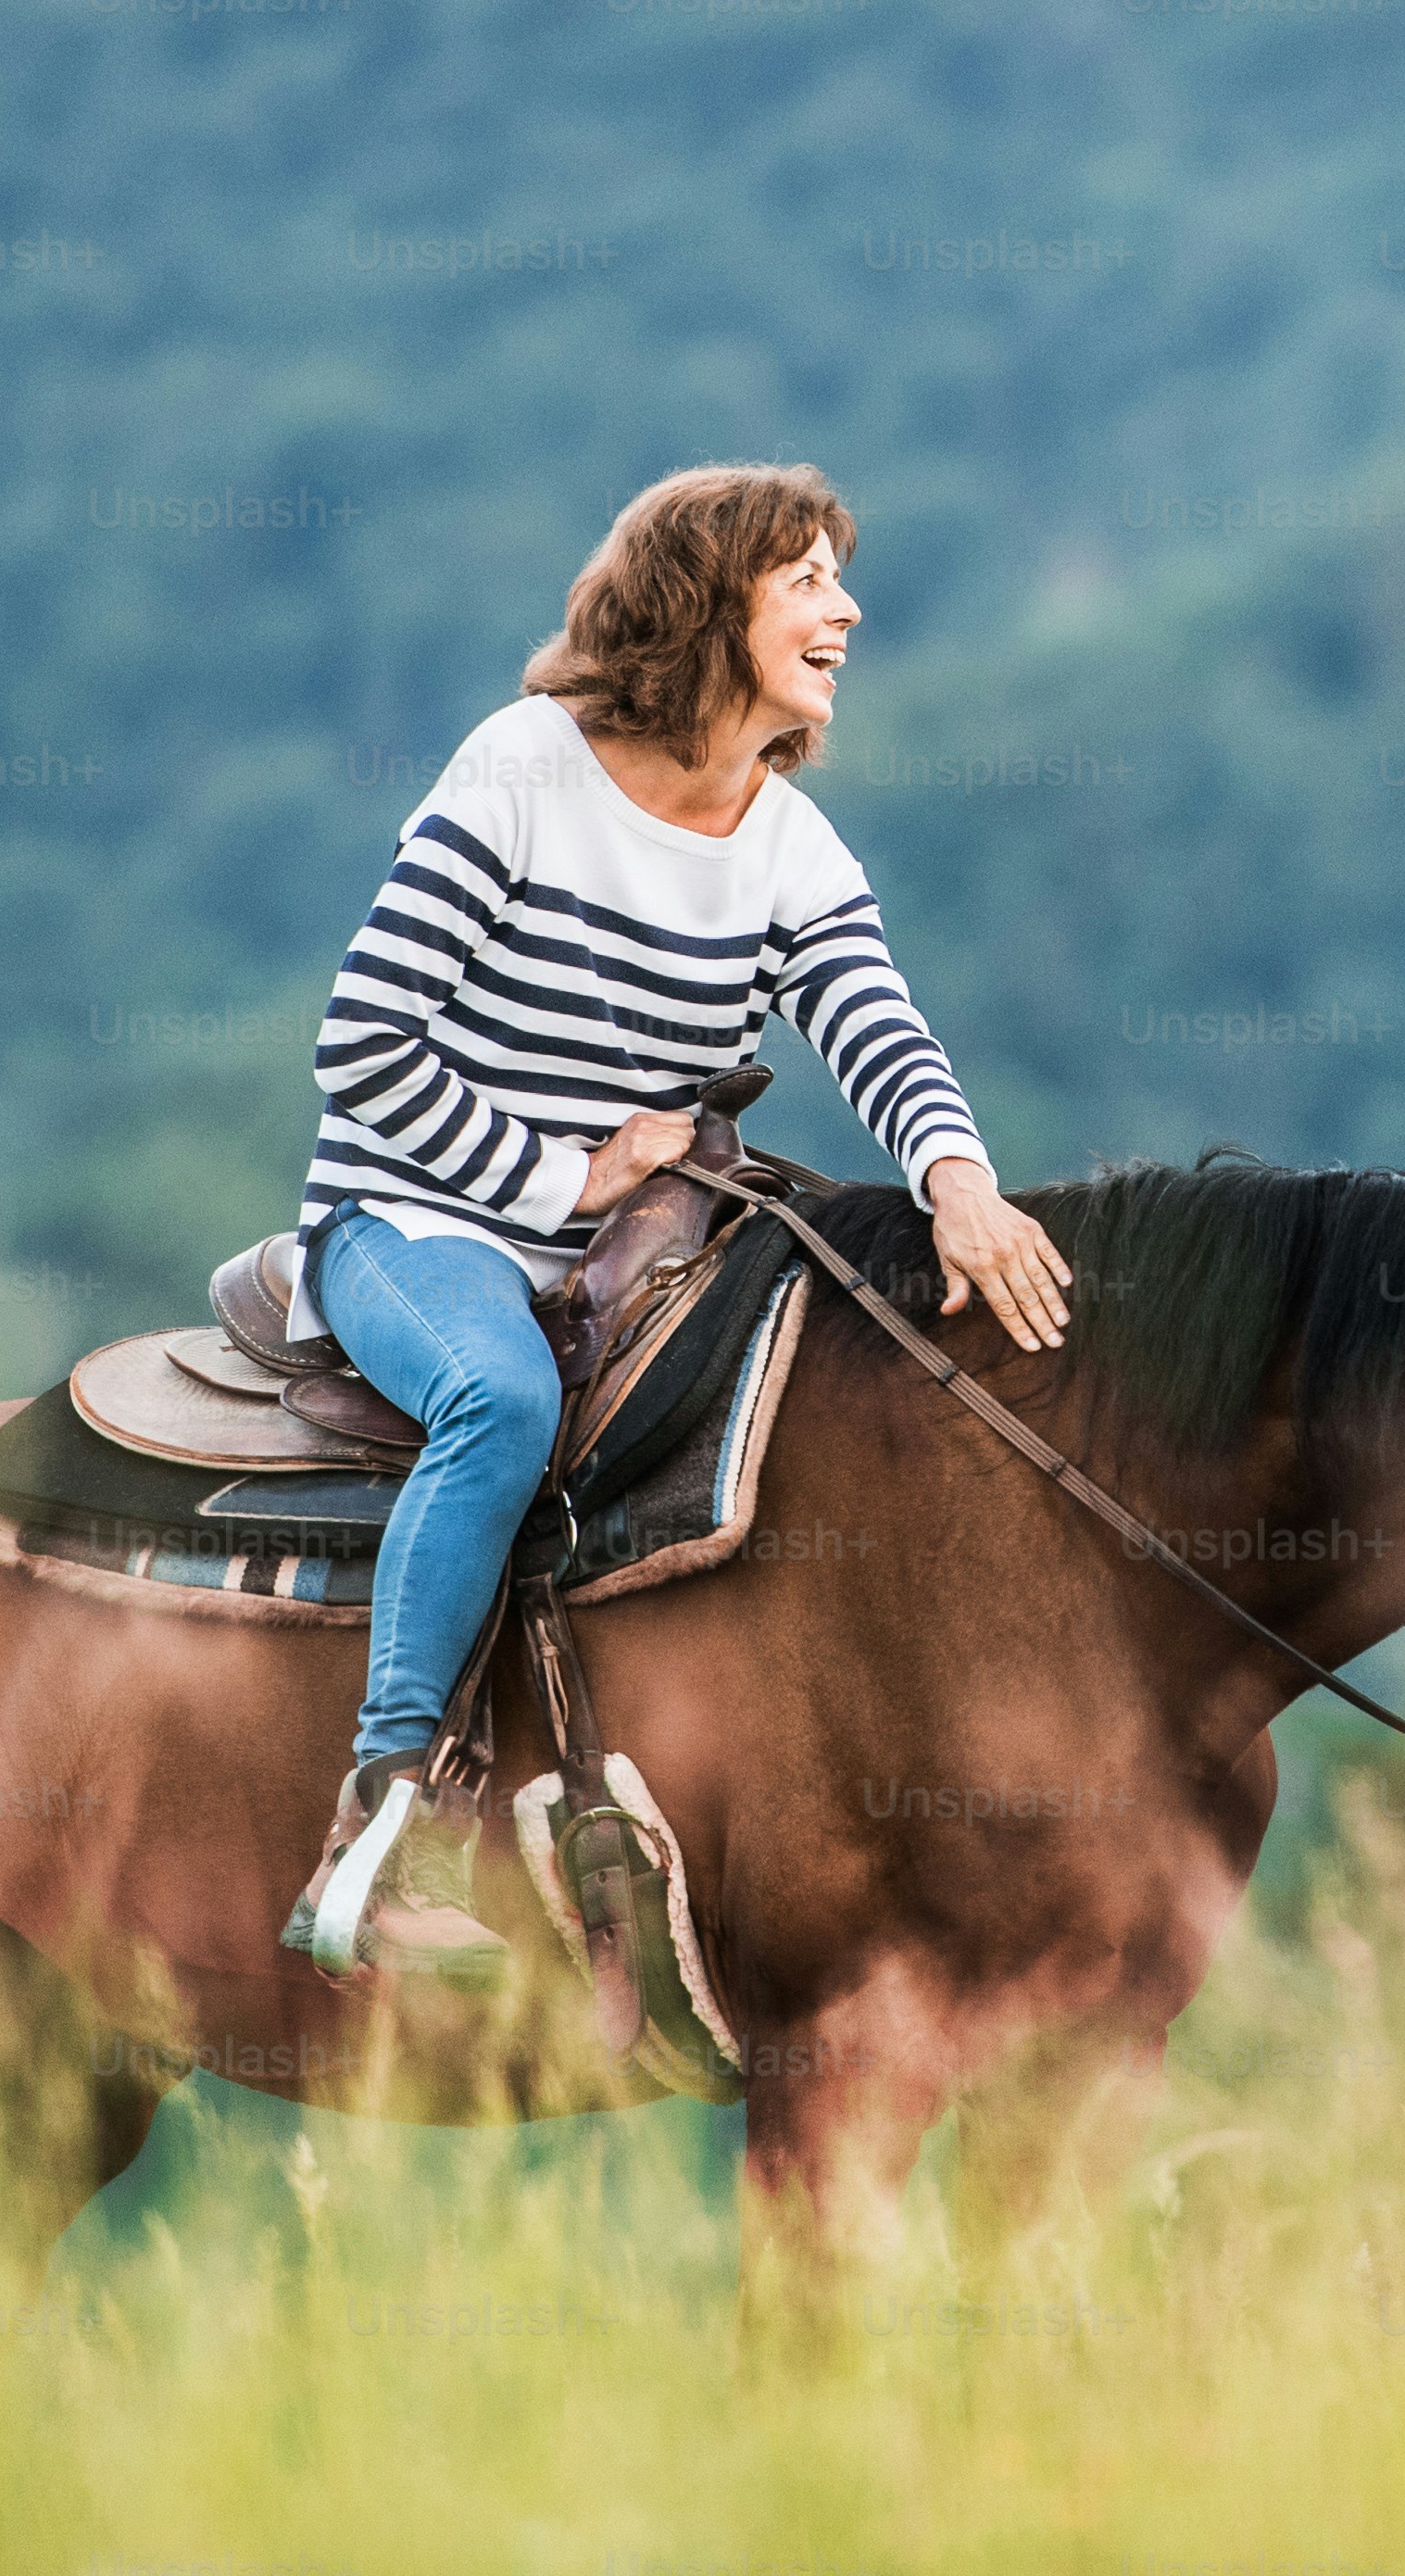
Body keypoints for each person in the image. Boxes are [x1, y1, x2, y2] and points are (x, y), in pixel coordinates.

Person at [283, 462, 1075, 1979]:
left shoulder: (789, 846)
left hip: (632, 1249)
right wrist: (563, 1178)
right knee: (499, 1398)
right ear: (709, 603)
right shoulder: (526, 764)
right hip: (414, 1211)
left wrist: (958, 1180)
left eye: (843, 578)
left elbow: (878, 1031)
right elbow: (365, 1042)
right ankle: (382, 1829)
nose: (846, 608)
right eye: (806, 580)